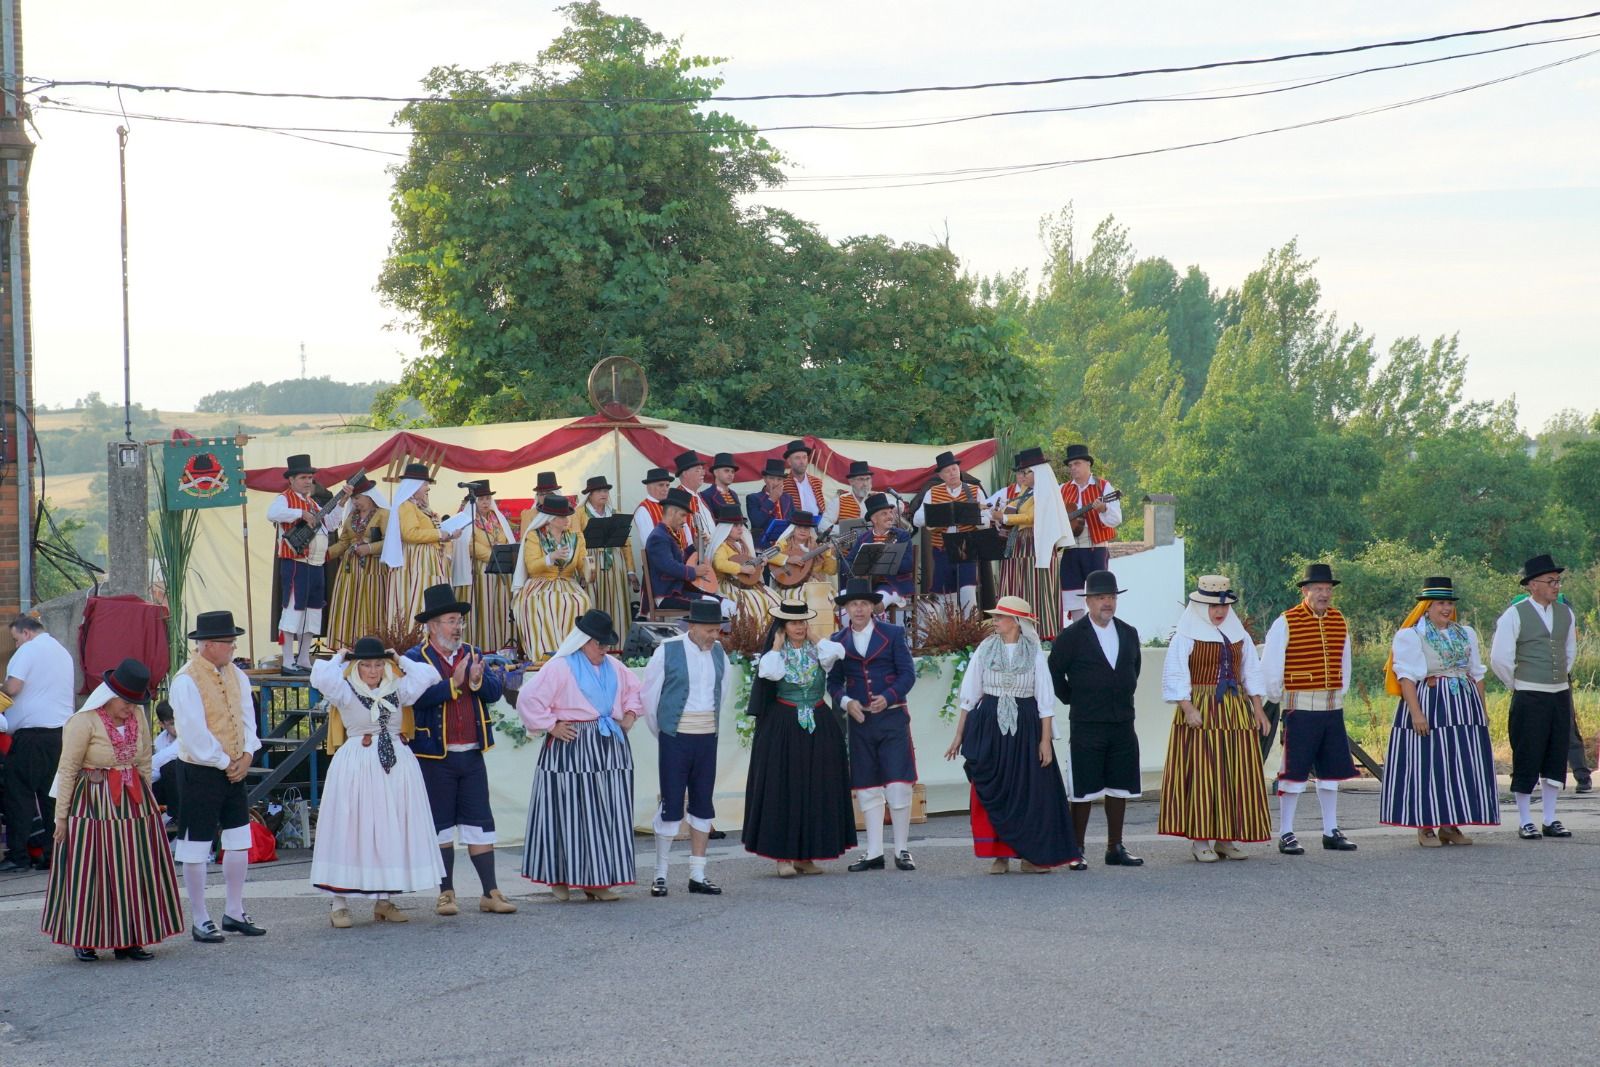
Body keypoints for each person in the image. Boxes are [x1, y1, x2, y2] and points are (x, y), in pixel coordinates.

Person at [41, 659, 183, 962]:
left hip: (133, 801)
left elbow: (144, 760)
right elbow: (67, 770)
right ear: (109, 695)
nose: (132, 708)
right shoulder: (84, 722)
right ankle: (85, 938)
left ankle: (129, 939)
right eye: (127, 701)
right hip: (94, 802)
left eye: (136, 702)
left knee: (132, 869)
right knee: (92, 870)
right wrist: (61, 817)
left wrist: (148, 803)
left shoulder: (138, 718)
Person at [310, 638, 447, 927]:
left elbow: (430, 675)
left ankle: (383, 901)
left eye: (377, 664)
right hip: (358, 763)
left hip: (396, 765)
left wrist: (399, 659)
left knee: (389, 828)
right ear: (356, 666)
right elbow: (319, 676)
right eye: (366, 665)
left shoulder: (398, 688)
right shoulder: (345, 691)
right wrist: (341, 658)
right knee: (353, 829)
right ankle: (339, 904)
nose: (372, 671)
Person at [946, 597, 1081, 874]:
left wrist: (1045, 741)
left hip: (1026, 726)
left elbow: (1045, 700)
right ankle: (1000, 855)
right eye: (995, 616)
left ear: (1016, 622)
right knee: (995, 787)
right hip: (989, 724)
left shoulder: (1033, 652)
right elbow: (970, 695)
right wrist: (959, 735)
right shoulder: (985, 648)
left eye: (1000, 617)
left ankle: (1030, 856)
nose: (995, 621)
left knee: (1029, 791)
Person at [405, 584, 517, 916]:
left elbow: (495, 692)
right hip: (434, 755)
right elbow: (415, 699)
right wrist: (453, 683)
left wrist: (478, 680)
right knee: (441, 825)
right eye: (451, 621)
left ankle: (489, 891)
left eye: (458, 621)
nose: (457, 627)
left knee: (479, 822)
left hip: (470, 752)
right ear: (432, 625)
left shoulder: (473, 652)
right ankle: (446, 893)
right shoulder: (415, 658)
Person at [516, 610, 643, 901]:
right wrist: (551, 725)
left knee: (606, 812)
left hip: (609, 748)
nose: (604, 649)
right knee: (565, 812)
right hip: (572, 747)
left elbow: (636, 691)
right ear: (584, 641)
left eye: (606, 644)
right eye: (599, 644)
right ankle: (557, 876)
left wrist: (631, 714)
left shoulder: (614, 666)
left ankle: (598, 881)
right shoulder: (560, 667)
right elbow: (528, 698)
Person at [1157, 577, 1273, 862]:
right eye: (1212, 606)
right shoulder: (1186, 635)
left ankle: (1225, 838)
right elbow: (1175, 672)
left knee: (1235, 772)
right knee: (1203, 772)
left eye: (1222, 606)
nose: (1219, 612)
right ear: (1199, 606)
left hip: (1234, 709)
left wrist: (1257, 709)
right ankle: (1200, 840)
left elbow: (1251, 671)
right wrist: (1187, 707)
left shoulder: (1238, 635)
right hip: (1201, 707)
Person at [169, 610, 265, 943]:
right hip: (200, 771)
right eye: (228, 642)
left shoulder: (237, 675)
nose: (233, 647)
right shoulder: (186, 680)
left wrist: (248, 754)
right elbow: (194, 735)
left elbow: (249, 720)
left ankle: (234, 911)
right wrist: (227, 761)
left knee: (239, 839)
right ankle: (200, 917)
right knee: (196, 844)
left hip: (234, 765)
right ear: (209, 645)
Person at [1379, 577, 1498, 846]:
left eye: (1449, 603)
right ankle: (1425, 826)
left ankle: (1450, 824)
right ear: (1426, 607)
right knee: (1429, 762)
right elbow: (1406, 677)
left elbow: (1476, 673)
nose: (1446, 608)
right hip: (1431, 701)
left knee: (1460, 762)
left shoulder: (1464, 632)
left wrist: (1481, 708)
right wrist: (1416, 713)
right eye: (1440, 603)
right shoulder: (1412, 635)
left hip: (1464, 703)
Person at [744, 600, 855, 876]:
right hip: (784, 724)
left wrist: (816, 637)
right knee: (785, 787)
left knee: (815, 786)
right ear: (782, 627)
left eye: (803, 622)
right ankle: (783, 857)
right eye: (794, 623)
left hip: (818, 722)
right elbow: (769, 672)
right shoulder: (775, 655)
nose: (800, 627)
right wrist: (777, 646)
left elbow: (839, 652)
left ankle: (807, 855)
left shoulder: (818, 650)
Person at [1048, 570, 1145, 867]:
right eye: (1102, 597)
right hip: (1087, 723)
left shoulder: (1128, 633)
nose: (1108, 603)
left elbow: (1134, 669)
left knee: (1119, 785)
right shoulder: (1071, 636)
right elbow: (1054, 672)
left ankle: (1115, 847)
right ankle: (1076, 849)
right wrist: (1073, 698)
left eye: (1112, 597)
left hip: (1122, 722)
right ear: (1088, 601)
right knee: (1083, 788)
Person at [1261, 563, 1359, 855]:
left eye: (1328, 589)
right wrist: (1277, 695)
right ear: (1305, 591)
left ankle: (1330, 830)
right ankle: (1287, 832)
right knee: (1293, 771)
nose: (1324, 594)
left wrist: (1340, 691)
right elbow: (1272, 663)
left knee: (1330, 772)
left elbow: (1345, 660)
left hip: (1331, 706)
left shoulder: (1339, 620)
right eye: (1318, 589)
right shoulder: (1286, 621)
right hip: (1300, 707)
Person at [641, 599, 735, 897]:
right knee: (671, 805)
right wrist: (666, 732)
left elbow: (723, 691)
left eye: (717, 630)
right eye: (709, 630)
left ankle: (698, 873)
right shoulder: (666, 651)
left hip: (707, 736)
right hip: (676, 736)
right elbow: (650, 697)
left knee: (703, 804)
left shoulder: (720, 653)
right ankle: (660, 874)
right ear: (692, 626)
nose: (714, 636)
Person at [828, 578, 919, 872]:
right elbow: (833, 682)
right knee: (867, 786)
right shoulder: (837, 641)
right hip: (861, 720)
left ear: (872, 607)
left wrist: (889, 695)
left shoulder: (892, 633)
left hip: (892, 716)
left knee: (898, 784)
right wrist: (846, 703)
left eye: (864, 604)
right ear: (846, 609)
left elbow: (908, 674)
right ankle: (874, 851)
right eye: (853, 604)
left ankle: (902, 849)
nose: (858, 609)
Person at [1490, 554, 1580, 841]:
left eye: (1558, 581)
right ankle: (1525, 819)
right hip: (1529, 694)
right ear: (1532, 585)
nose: (1556, 586)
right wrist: (1517, 683)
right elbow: (1500, 657)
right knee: (1528, 753)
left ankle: (1550, 818)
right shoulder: (1514, 614)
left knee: (1555, 753)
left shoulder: (1566, 613)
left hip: (1558, 693)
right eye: (1550, 581)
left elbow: (1569, 652)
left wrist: (1557, 679)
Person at [1, 615, 74, 873]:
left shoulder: (29, 650)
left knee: (16, 792)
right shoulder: (62, 652)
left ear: (27, 633)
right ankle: (54, 854)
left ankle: (18, 856)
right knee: (50, 796)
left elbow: (13, 687)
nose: (16, 644)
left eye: (16, 639)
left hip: (31, 735)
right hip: (60, 734)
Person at [267, 454, 344, 675]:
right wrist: (301, 513)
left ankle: (303, 659)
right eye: (303, 477)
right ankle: (288, 660)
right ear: (291, 480)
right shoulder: (284, 499)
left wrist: (340, 503)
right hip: (296, 563)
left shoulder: (312, 502)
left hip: (316, 565)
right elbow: (271, 514)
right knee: (293, 608)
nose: (308, 481)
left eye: (310, 477)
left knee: (313, 611)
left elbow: (330, 524)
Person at [994, 447, 1069, 641]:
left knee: (1036, 586)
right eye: (1021, 472)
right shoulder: (1027, 492)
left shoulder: (1045, 492)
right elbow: (1015, 511)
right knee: (1019, 585)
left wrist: (1005, 518)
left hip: (1035, 545)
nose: (1022, 476)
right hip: (1019, 545)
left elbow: (1032, 517)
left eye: (1025, 472)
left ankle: (1043, 633)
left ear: (1037, 472)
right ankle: (1015, 630)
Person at [512, 494, 591, 666]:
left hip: (567, 582)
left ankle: (574, 654)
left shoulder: (576, 537)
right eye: (562, 516)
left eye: (566, 515)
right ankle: (546, 657)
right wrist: (550, 557)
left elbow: (580, 565)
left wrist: (588, 566)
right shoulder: (534, 536)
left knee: (581, 601)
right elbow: (532, 567)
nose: (566, 519)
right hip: (540, 583)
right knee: (542, 602)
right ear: (551, 519)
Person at [382, 461, 461, 626]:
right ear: (415, 485)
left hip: (426, 559)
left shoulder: (419, 506)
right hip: (416, 561)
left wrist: (448, 535)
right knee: (418, 597)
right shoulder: (406, 505)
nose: (427, 488)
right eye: (425, 484)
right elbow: (410, 534)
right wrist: (440, 534)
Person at [1057, 443, 1122, 623]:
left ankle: (1101, 626)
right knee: (1071, 592)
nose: (1073, 468)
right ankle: (1079, 629)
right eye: (1070, 466)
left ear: (1088, 464)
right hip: (1071, 548)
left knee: (1099, 591)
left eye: (1077, 463)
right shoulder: (1063, 489)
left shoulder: (1103, 487)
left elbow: (1116, 519)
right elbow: (1055, 517)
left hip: (1095, 547)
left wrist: (1103, 508)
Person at [913, 450, 985, 611]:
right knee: (945, 597)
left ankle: (970, 633)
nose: (952, 473)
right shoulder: (933, 493)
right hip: (942, 550)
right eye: (947, 471)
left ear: (959, 470)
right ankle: (947, 634)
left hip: (966, 548)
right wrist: (939, 516)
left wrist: (973, 517)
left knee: (968, 593)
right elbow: (917, 520)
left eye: (954, 469)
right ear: (941, 476)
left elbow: (986, 522)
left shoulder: (974, 491)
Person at [325, 478, 389, 650]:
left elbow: (390, 542)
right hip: (350, 569)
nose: (355, 502)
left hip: (373, 568)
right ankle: (347, 645)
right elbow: (344, 542)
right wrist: (323, 555)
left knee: (371, 604)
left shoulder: (383, 514)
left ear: (369, 497)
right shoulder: (351, 516)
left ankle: (371, 646)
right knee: (348, 604)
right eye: (353, 498)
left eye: (358, 497)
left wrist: (369, 548)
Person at [456, 481, 516, 654]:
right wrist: (493, 555)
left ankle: (501, 645)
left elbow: (507, 538)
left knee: (501, 608)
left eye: (488, 498)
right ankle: (482, 645)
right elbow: (466, 543)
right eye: (481, 498)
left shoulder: (498, 518)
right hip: (480, 571)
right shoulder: (467, 519)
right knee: (483, 610)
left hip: (501, 570)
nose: (485, 502)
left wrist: (502, 553)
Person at [576, 475, 634, 650]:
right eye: (600, 491)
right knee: (594, 604)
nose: (604, 494)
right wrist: (581, 571)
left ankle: (618, 647)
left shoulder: (614, 513)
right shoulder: (579, 514)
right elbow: (576, 542)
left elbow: (626, 543)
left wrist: (630, 571)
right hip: (591, 562)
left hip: (615, 562)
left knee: (617, 604)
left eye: (606, 490)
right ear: (590, 494)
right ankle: (593, 648)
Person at [769, 510, 841, 641]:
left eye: (806, 528)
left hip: (816, 584)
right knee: (801, 599)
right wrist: (787, 559)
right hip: (791, 585)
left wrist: (830, 554)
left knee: (827, 600)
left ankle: (824, 639)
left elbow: (831, 571)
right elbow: (769, 555)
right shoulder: (784, 543)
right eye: (799, 528)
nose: (803, 531)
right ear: (793, 529)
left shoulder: (818, 546)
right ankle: (802, 638)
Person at [645, 488, 717, 611]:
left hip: (677, 591)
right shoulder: (658, 537)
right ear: (672, 512)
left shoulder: (666, 534)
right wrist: (694, 572)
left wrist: (695, 545)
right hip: (667, 594)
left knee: (720, 601)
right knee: (715, 604)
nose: (685, 521)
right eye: (683, 515)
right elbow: (669, 566)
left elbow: (680, 558)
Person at [710, 502, 780, 626]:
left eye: (741, 525)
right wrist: (741, 568)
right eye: (735, 525)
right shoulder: (722, 546)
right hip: (727, 586)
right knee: (757, 601)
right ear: (726, 527)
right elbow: (718, 564)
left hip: (745, 585)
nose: (740, 528)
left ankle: (773, 635)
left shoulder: (744, 545)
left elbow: (751, 572)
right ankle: (755, 637)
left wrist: (760, 566)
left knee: (775, 599)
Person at [847, 494, 915, 615]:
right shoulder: (863, 538)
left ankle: (878, 632)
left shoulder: (901, 536)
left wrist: (886, 562)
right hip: (868, 585)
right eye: (884, 513)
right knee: (844, 601)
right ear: (874, 519)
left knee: (875, 603)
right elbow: (849, 561)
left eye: (890, 512)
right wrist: (858, 569)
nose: (890, 516)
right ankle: (855, 632)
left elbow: (908, 564)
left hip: (894, 585)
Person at [747, 457, 793, 551]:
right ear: (764, 479)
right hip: (762, 548)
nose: (775, 482)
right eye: (771, 478)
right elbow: (757, 522)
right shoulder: (753, 498)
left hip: (785, 546)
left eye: (779, 479)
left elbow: (793, 522)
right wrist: (771, 499)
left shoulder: (788, 498)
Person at [781, 439, 828, 530]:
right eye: (797, 458)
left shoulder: (816, 482)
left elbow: (822, 509)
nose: (802, 461)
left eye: (804, 457)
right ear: (789, 462)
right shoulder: (783, 483)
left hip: (816, 526)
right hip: (794, 528)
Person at [149, 699, 184, 819]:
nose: (177, 727)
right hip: (172, 786)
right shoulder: (160, 741)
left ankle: (176, 815)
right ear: (162, 724)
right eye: (172, 723)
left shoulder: (187, 736)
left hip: (191, 782)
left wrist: (144, 766)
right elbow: (156, 771)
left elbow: (168, 755)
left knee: (169, 767)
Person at [673, 450, 717, 544]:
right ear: (685, 474)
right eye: (698, 470)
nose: (703, 473)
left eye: (702, 469)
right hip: (695, 555)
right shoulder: (679, 499)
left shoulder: (699, 496)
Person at [821, 459, 875, 530]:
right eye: (861, 479)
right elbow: (822, 526)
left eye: (867, 479)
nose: (865, 484)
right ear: (851, 481)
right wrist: (846, 530)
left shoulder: (876, 500)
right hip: (846, 540)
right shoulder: (839, 501)